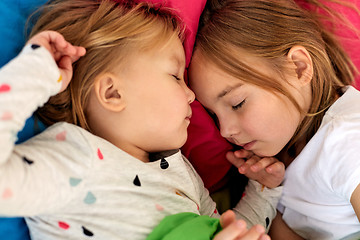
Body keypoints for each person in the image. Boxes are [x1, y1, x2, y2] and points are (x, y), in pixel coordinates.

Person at [0, 0, 284, 239]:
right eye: (175, 76)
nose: (191, 95)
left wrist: (263, 191)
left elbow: (232, 227)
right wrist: (36, 73)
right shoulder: (75, 157)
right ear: (112, 93)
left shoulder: (181, 171)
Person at [188, 0, 360, 239]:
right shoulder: (289, 145)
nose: (225, 131)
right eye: (214, 116)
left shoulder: (348, 138)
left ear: (298, 67)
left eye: (237, 103)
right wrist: (267, 189)